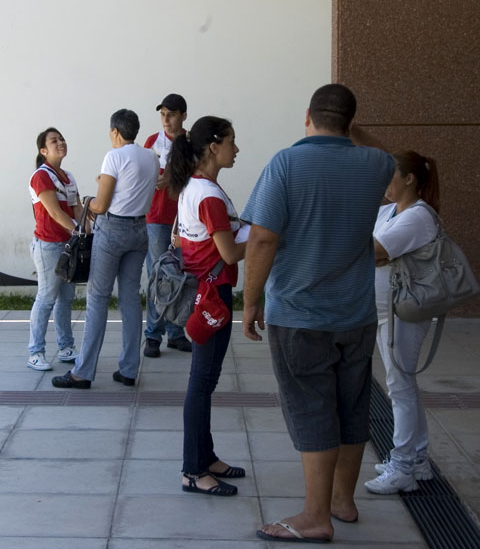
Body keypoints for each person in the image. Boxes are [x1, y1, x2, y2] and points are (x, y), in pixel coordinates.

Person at [241, 84, 395, 543]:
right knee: (351, 407)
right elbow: (373, 148)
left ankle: (314, 516)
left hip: (300, 315)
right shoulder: (376, 164)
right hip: (356, 314)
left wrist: (250, 300)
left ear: (307, 115)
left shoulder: (286, 163)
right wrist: (348, 129)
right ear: (351, 120)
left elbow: (263, 239)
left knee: (312, 410)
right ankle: (342, 502)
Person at [168, 116, 247, 497]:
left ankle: (206, 455)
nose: (237, 149)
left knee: (206, 381)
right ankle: (192, 471)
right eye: (232, 142)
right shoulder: (209, 194)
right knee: (201, 383)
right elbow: (230, 251)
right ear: (214, 146)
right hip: (212, 295)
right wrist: (268, 241)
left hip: (207, 292)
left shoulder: (195, 187)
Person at [52, 109, 158, 389]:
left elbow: (101, 205)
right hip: (140, 230)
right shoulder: (150, 156)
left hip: (113, 231)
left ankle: (83, 372)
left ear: (115, 132)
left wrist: (90, 197)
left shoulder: (114, 156)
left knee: (98, 298)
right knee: (130, 299)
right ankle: (129, 369)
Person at [364, 151, 439, 494]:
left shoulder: (419, 217)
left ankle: (404, 466)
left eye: (391, 175)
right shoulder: (389, 211)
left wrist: (375, 255)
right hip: (388, 314)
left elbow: (373, 249)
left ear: (410, 179)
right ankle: (418, 459)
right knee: (402, 385)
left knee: (400, 386)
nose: (385, 183)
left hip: (404, 314)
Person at [27, 127, 82, 371]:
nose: (60, 142)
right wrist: (78, 231)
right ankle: (35, 352)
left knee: (66, 299)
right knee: (47, 297)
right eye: (54, 141)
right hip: (48, 246)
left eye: (61, 138)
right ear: (43, 150)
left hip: (69, 245)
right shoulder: (42, 176)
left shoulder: (68, 176)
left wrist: (89, 230)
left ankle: (66, 347)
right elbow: (55, 212)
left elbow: (78, 210)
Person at [143, 93, 193, 358]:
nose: (166, 119)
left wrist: (172, 177)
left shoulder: (191, 143)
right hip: (156, 218)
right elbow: (141, 174)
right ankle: (153, 334)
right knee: (158, 275)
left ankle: (175, 333)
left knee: (183, 274)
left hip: (185, 220)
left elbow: (196, 175)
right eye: (162, 114)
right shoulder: (152, 141)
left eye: (171, 114)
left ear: (183, 115)